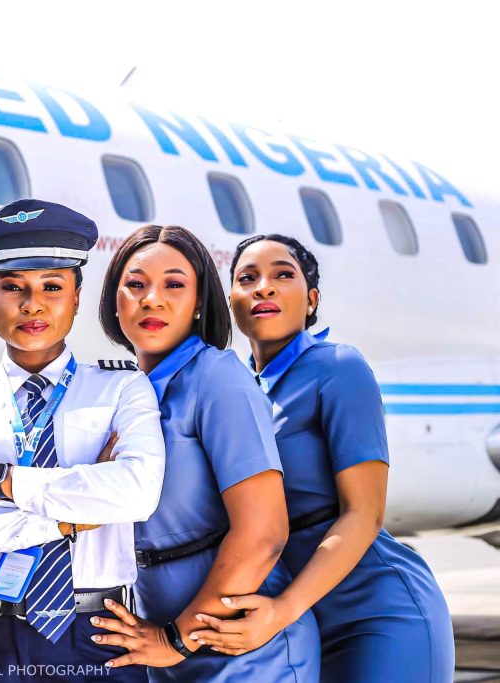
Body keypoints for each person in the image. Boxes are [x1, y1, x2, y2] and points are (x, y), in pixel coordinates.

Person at [0, 199, 165, 682]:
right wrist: (69, 518)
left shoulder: (121, 388)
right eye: (12, 287)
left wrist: (7, 484)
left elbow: (138, 492)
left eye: (52, 286)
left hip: (98, 635)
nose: (32, 305)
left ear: (77, 297)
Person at [192, 233, 454, 682]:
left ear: (312, 300)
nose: (263, 288)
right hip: (295, 626)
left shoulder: (338, 367)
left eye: (282, 275)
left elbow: (364, 514)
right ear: (230, 301)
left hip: (375, 614)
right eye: (247, 278)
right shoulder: (233, 389)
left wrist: (284, 609)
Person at [89, 225, 320, 681]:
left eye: (174, 285)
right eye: (135, 284)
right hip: (164, 641)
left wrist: (177, 639)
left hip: (243, 648)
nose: (152, 299)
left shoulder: (217, 377)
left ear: (199, 302)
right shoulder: (123, 393)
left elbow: (264, 533)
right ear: (115, 301)